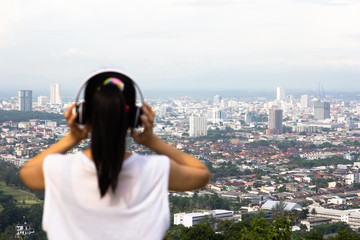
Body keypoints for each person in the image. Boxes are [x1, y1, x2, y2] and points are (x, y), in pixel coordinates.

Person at [19, 70, 211, 240]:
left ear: (83, 115)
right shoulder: (155, 169)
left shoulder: (60, 169)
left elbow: (27, 172)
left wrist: (72, 138)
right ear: (135, 118)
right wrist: (151, 141)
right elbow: (201, 174)